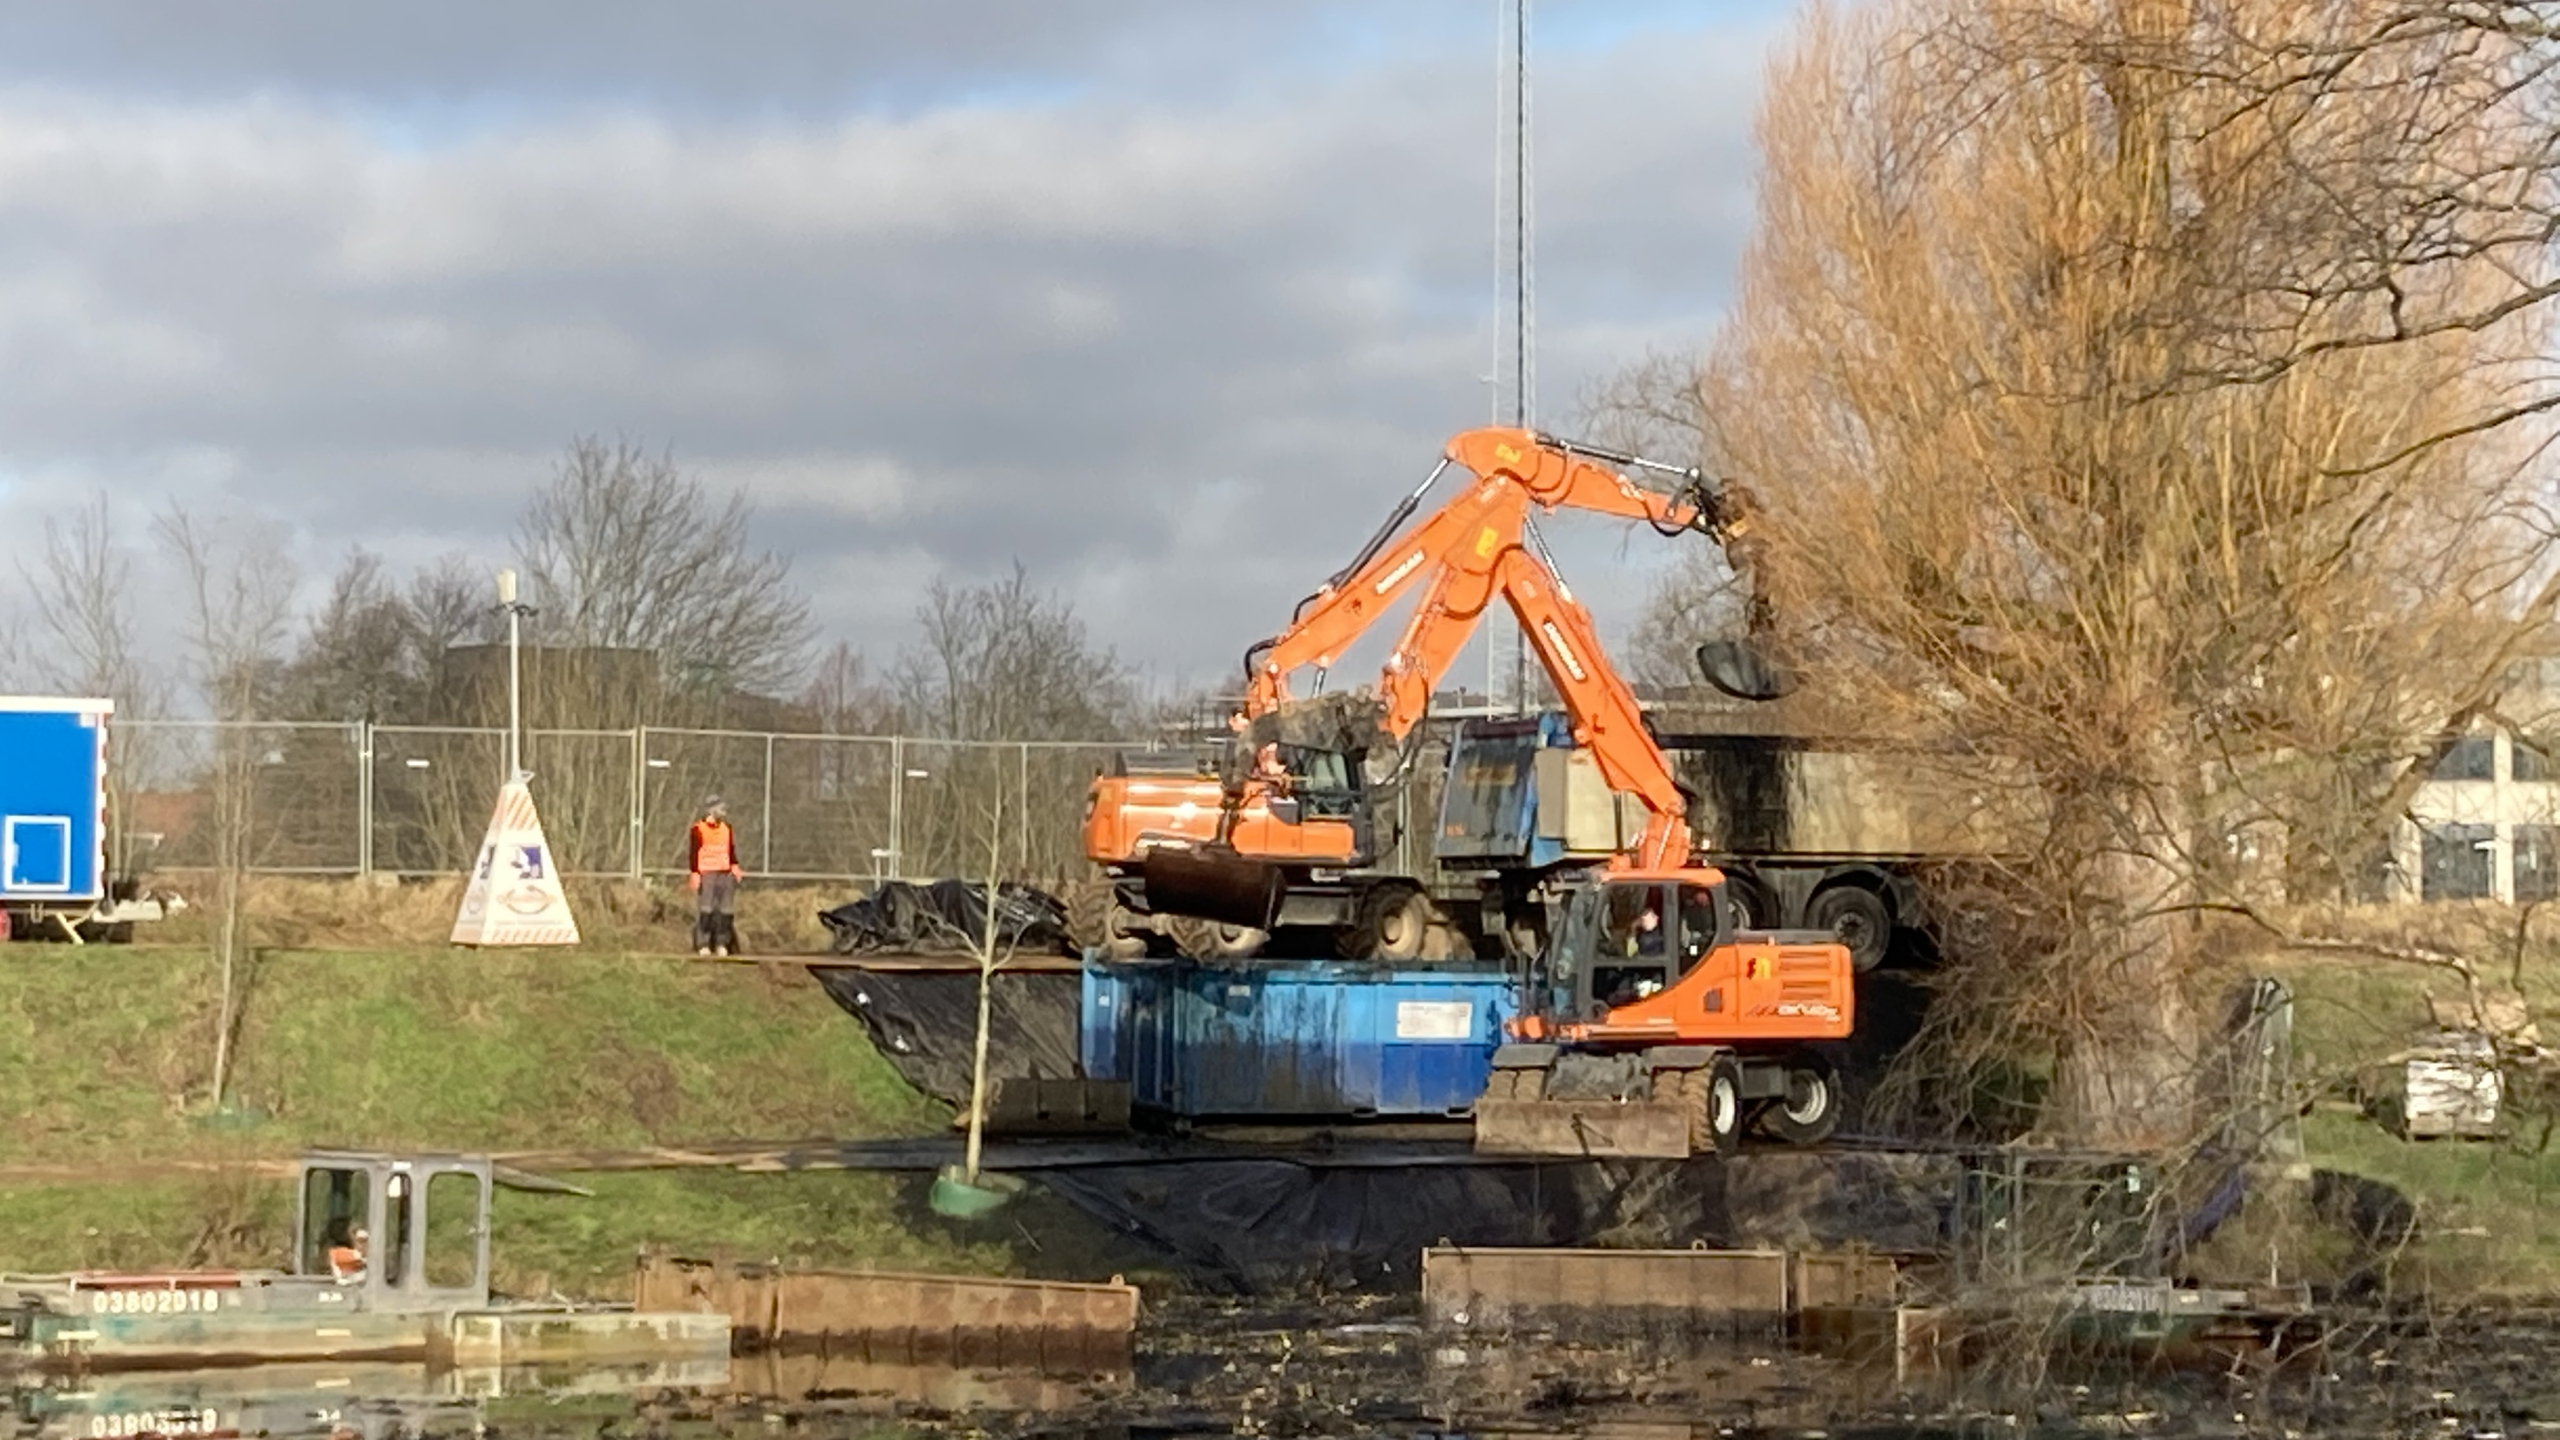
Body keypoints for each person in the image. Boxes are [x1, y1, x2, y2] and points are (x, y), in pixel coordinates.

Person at [688, 795, 745, 957]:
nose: (724, 812)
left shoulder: (727, 828)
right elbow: (693, 853)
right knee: (706, 909)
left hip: (725, 873)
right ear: (711, 810)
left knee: (726, 911)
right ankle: (703, 943)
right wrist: (695, 873)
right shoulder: (698, 829)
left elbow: (731, 850)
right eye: (721, 808)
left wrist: (735, 867)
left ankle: (722, 943)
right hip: (707, 873)